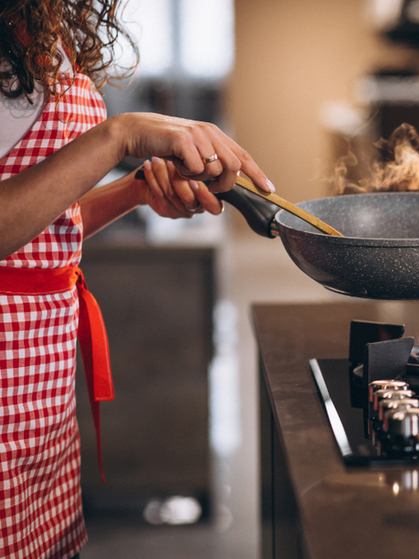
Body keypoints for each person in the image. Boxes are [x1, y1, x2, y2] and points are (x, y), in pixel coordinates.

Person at [0, 1, 274, 557]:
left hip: (42, 382)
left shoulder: (43, 34)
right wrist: (118, 138)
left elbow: (42, 229)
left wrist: (135, 191)